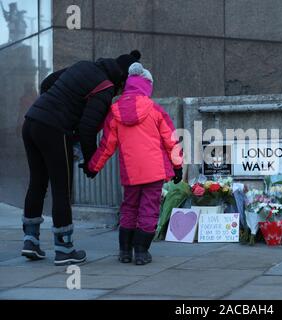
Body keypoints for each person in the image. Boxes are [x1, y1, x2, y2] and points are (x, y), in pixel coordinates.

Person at [21, 50, 142, 266]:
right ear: (122, 78)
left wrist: (57, 104)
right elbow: (88, 129)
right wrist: (90, 162)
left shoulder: (83, 66)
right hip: (54, 129)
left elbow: (48, 82)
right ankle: (64, 249)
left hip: (31, 121)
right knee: (61, 188)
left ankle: (30, 241)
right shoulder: (105, 88)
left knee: (37, 183)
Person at [88, 63, 183, 266]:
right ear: (146, 86)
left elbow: (107, 145)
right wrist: (178, 166)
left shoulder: (114, 112)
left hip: (130, 173)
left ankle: (124, 251)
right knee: (148, 210)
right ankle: (141, 252)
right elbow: (171, 141)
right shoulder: (155, 110)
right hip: (154, 171)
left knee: (129, 208)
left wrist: (93, 167)